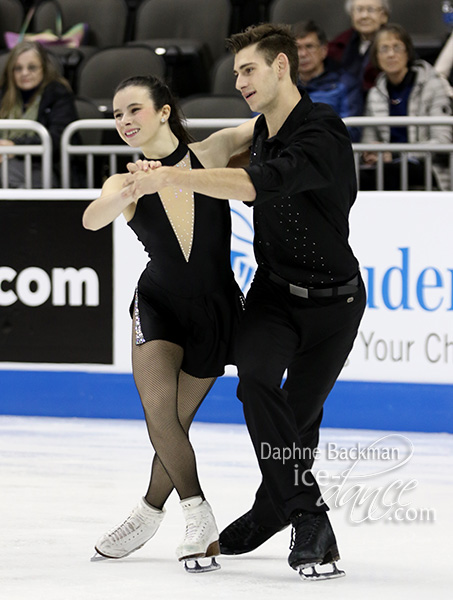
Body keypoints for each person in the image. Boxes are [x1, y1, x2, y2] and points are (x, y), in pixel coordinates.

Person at [122, 24, 366, 580]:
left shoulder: (323, 130)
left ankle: (269, 509)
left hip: (335, 305)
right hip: (274, 297)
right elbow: (211, 150)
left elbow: (264, 182)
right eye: (235, 74)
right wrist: (164, 170)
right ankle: (309, 519)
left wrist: (179, 181)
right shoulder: (257, 130)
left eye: (248, 70)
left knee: (297, 419)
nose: (239, 82)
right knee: (255, 383)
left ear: (282, 66)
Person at [82, 75, 254, 571]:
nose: (124, 121)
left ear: (163, 111)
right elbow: (93, 218)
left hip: (214, 309)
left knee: (174, 424)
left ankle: (147, 510)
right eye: (116, 115)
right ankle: (197, 512)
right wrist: (130, 189)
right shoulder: (124, 179)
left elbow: (262, 125)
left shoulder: (211, 151)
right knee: (160, 413)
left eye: (133, 109)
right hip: (157, 304)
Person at [361, 23, 452, 191]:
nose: (391, 54)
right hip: (387, 169)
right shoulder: (375, 93)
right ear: (376, 57)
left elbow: (442, 142)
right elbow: (369, 141)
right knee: (357, 178)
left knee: (394, 171)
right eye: (384, 49)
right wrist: (372, 154)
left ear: (408, 52)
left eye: (397, 47)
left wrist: (395, 154)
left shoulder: (432, 85)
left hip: (427, 168)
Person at [0, 41, 79, 188]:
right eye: (18, 68)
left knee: (10, 171)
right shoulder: (3, 95)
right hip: (5, 162)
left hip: (47, 165)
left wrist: (14, 146)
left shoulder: (58, 93)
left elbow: (57, 139)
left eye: (32, 67)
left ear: (44, 68)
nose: (25, 73)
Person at [293, 20, 363, 142]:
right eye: (297, 48)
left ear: (324, 50)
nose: (303, 54)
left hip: (329, 155)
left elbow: (352, 130)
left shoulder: (346, 83)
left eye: (309, 46)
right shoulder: (281, 85)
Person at [328, 0, 390, 97]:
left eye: (371, 10)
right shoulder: (338, 45)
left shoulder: (394, 45)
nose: (364, 16)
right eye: (359, 10)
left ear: (384, 16)